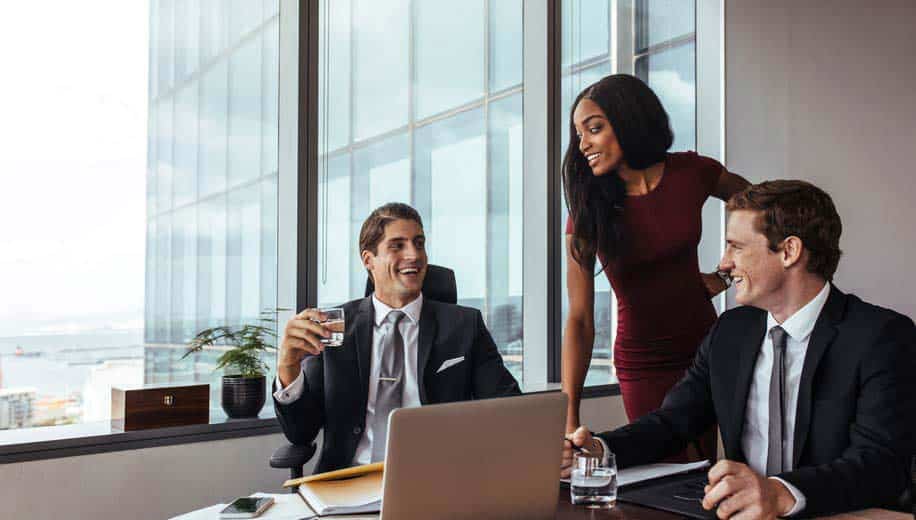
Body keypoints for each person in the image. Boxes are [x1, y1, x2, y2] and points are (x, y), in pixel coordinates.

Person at [562, 180, 916, 518]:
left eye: (736, 246)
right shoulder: (730, 331)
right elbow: (671, 423)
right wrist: (597, 450)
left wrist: (778, 493)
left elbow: (881, 464)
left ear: (790, 251)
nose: (723, 264)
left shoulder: (882, 337)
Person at [561, 74, 750, 460]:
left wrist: (728, 272)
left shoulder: (693, 173)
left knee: (710, 468)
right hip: (643, 361)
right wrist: (569, 415)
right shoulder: (586, 213)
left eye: (594, 129)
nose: (583, 145)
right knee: (660, 474)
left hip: (706, 347)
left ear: (629, 120)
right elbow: (579, 319)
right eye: (578, 134)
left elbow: (757, 207)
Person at [274, 202, 521, 473]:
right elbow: (300, 434)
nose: (414, 255)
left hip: (438, 478)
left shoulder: (464, 325)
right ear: (369, 260)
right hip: (349, 480)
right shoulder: (335, 328)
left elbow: (509, 410)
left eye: (419, 243)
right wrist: (288, 366)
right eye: (397, 245)